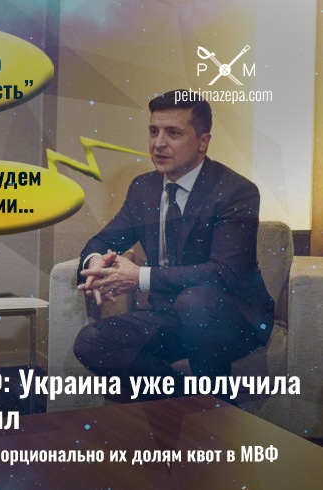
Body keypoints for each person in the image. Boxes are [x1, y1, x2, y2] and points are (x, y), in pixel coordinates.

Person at [73, 89, 275, 401]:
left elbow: (224, 273)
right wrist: (95, 262)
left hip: (232, 320)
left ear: (203, 142)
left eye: (173, 133)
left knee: (194, 301)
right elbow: (102, 241)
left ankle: (212, 410)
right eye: (154, 131)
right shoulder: (144, 188)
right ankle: (191, 401)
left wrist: (139, 277)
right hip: (170, 317)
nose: (158, 143)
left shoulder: (235, 191)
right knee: (91, 341)